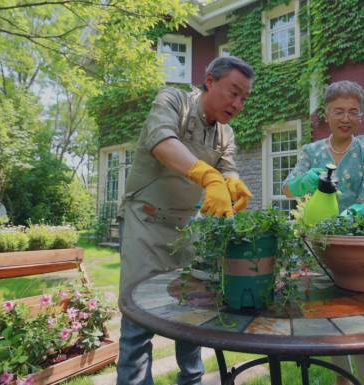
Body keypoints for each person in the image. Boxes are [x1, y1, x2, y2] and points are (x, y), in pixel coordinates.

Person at [116, 56, 255, 385]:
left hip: (185, 229)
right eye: (233, 92)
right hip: (144, 223)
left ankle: (191, 382)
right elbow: (163, 142)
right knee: (138, 322)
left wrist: (231, 180)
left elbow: (228, 167)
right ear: (210, 81)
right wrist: (207, 176)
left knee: (192, 314)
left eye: (244, 98)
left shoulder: (226, 133)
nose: (238, 104)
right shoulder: (172, 101)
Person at [282, 80, 364, 385]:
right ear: (325, 114)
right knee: (331, 318)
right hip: (318, 248)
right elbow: (288, 188)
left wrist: (351, 215)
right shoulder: (311, 152)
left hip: (357, 247)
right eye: (338, 111)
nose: (345, 118)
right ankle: (341, 379)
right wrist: (305, 182)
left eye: (353, 112)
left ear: (361, 116)